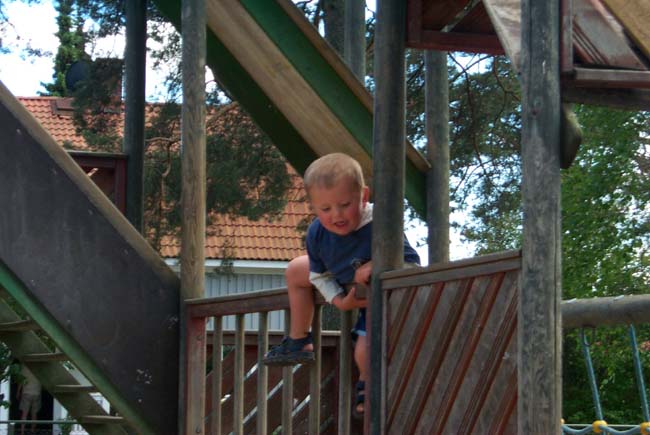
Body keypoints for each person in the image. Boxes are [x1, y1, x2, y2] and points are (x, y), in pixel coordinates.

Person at [262, 153, 420, 418]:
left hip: (381, 296)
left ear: (364, 196)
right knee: (295, 270)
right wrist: (338, 301)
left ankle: (367, 385)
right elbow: (319, 276)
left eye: (345, 204)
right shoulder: (317, 233)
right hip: (345, 281)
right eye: (325, 209)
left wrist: (380, 263)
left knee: (364, 350)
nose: (336, 215)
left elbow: (412, 267)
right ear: (313, 207)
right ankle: (299, 339)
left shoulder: (381, 222)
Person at [16, 364, 41, 435]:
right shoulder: (39, 368)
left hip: (26, 393)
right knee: (34, 414)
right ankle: (32, 431)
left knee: (24, 414)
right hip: (37, 393)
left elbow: (21, 381)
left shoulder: (24, 368)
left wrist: (18, 392)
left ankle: (22, 432)